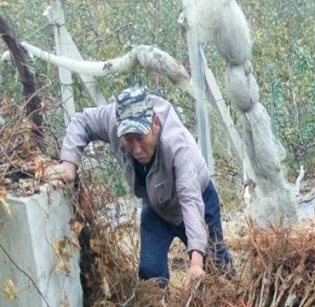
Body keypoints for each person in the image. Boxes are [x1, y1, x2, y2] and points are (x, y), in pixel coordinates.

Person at [45, 86, 233, 282]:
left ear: (155, 124)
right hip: (156, 205)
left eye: (141, 138)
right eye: (128, 139)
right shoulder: (113, 119)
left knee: (217, 268)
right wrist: (68, 164)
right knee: (149, 272)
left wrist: (196, 262)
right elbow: (81, 121)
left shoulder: (174, 143)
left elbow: (190, 199)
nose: (136, 149)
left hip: (198, 200)